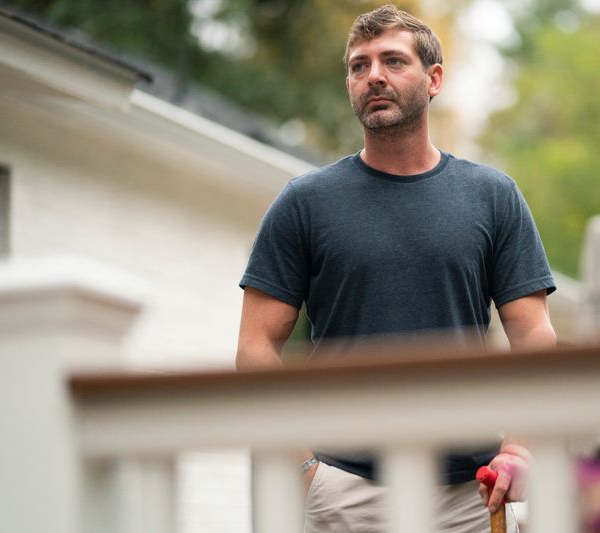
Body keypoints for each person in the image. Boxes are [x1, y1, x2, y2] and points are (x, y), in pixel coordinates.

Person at [236, 4, 557, 532]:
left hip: (467, 494)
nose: (374, 76)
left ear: (434, 80)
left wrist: (519, 446)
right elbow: (254, 347)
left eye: (392, 61)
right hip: (344, 489)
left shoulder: (492, 197)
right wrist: (302, 468)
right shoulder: (305, 202)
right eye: (359, 66)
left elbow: (534, 335)